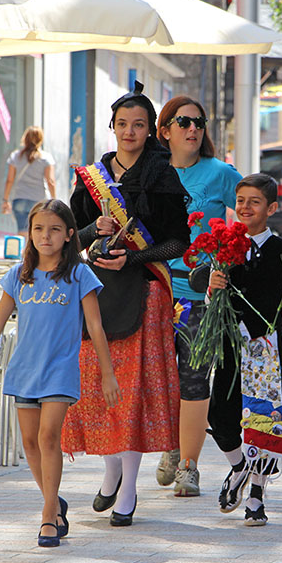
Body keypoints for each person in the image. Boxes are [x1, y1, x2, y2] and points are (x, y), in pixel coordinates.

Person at [62, 82, 190, 527]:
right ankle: (111, 470)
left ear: (150, 130)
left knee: (132, 391)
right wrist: (91, 233)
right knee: (97, 386)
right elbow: (67, 239)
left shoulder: (163, 175)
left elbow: (178, 242)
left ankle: (129, 489)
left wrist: (132, 257)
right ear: (112, 128)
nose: (129, 131)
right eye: (122, 125)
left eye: (139, 125)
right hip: (96, 293)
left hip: (147, 292)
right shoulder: (92, 177)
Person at [0, 200, 116, 548]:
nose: (46, 236)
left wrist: (108, 375)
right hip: (24, 369)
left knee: (48, 438)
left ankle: (47, 516)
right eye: (39, 229)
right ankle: (54, 500)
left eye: (55, 229)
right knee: (29, 443)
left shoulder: (79, 274)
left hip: (59, 370)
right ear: (29, 233)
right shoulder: (19, 275)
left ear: (70, 234)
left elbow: (95, 325)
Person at [199, 173, 282, 526]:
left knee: (263, 419)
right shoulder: (225, 244)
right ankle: (239, 466)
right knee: (219, 416)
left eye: (254, 201)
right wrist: (213, 287)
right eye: (240, 200)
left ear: (271, 208)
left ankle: (257, 496)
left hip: (266, 346)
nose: (245, 207)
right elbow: (213, 301)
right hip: (231, 341)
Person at [154, 96, 241, 497]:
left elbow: (248, 214)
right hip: (155, 292)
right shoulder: (152, 173)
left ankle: (189, 465)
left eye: (199, 123)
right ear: (165, 130)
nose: (193, 129)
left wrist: (230, 260)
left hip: (201, 296)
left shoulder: (220, 173)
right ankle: (170, 446)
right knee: (159, 379)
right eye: (183, 122)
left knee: (193, 379)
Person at [2, 126, 57, 234]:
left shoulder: (15, 156)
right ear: (40, 139)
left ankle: (22, 251)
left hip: (19, 198)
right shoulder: (46, 158)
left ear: (25, 138)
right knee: (36, 233)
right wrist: (54, 199)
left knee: (22, 232)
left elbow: (9, 180)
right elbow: (50, 181)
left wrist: (5, 200)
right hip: (38, 200)